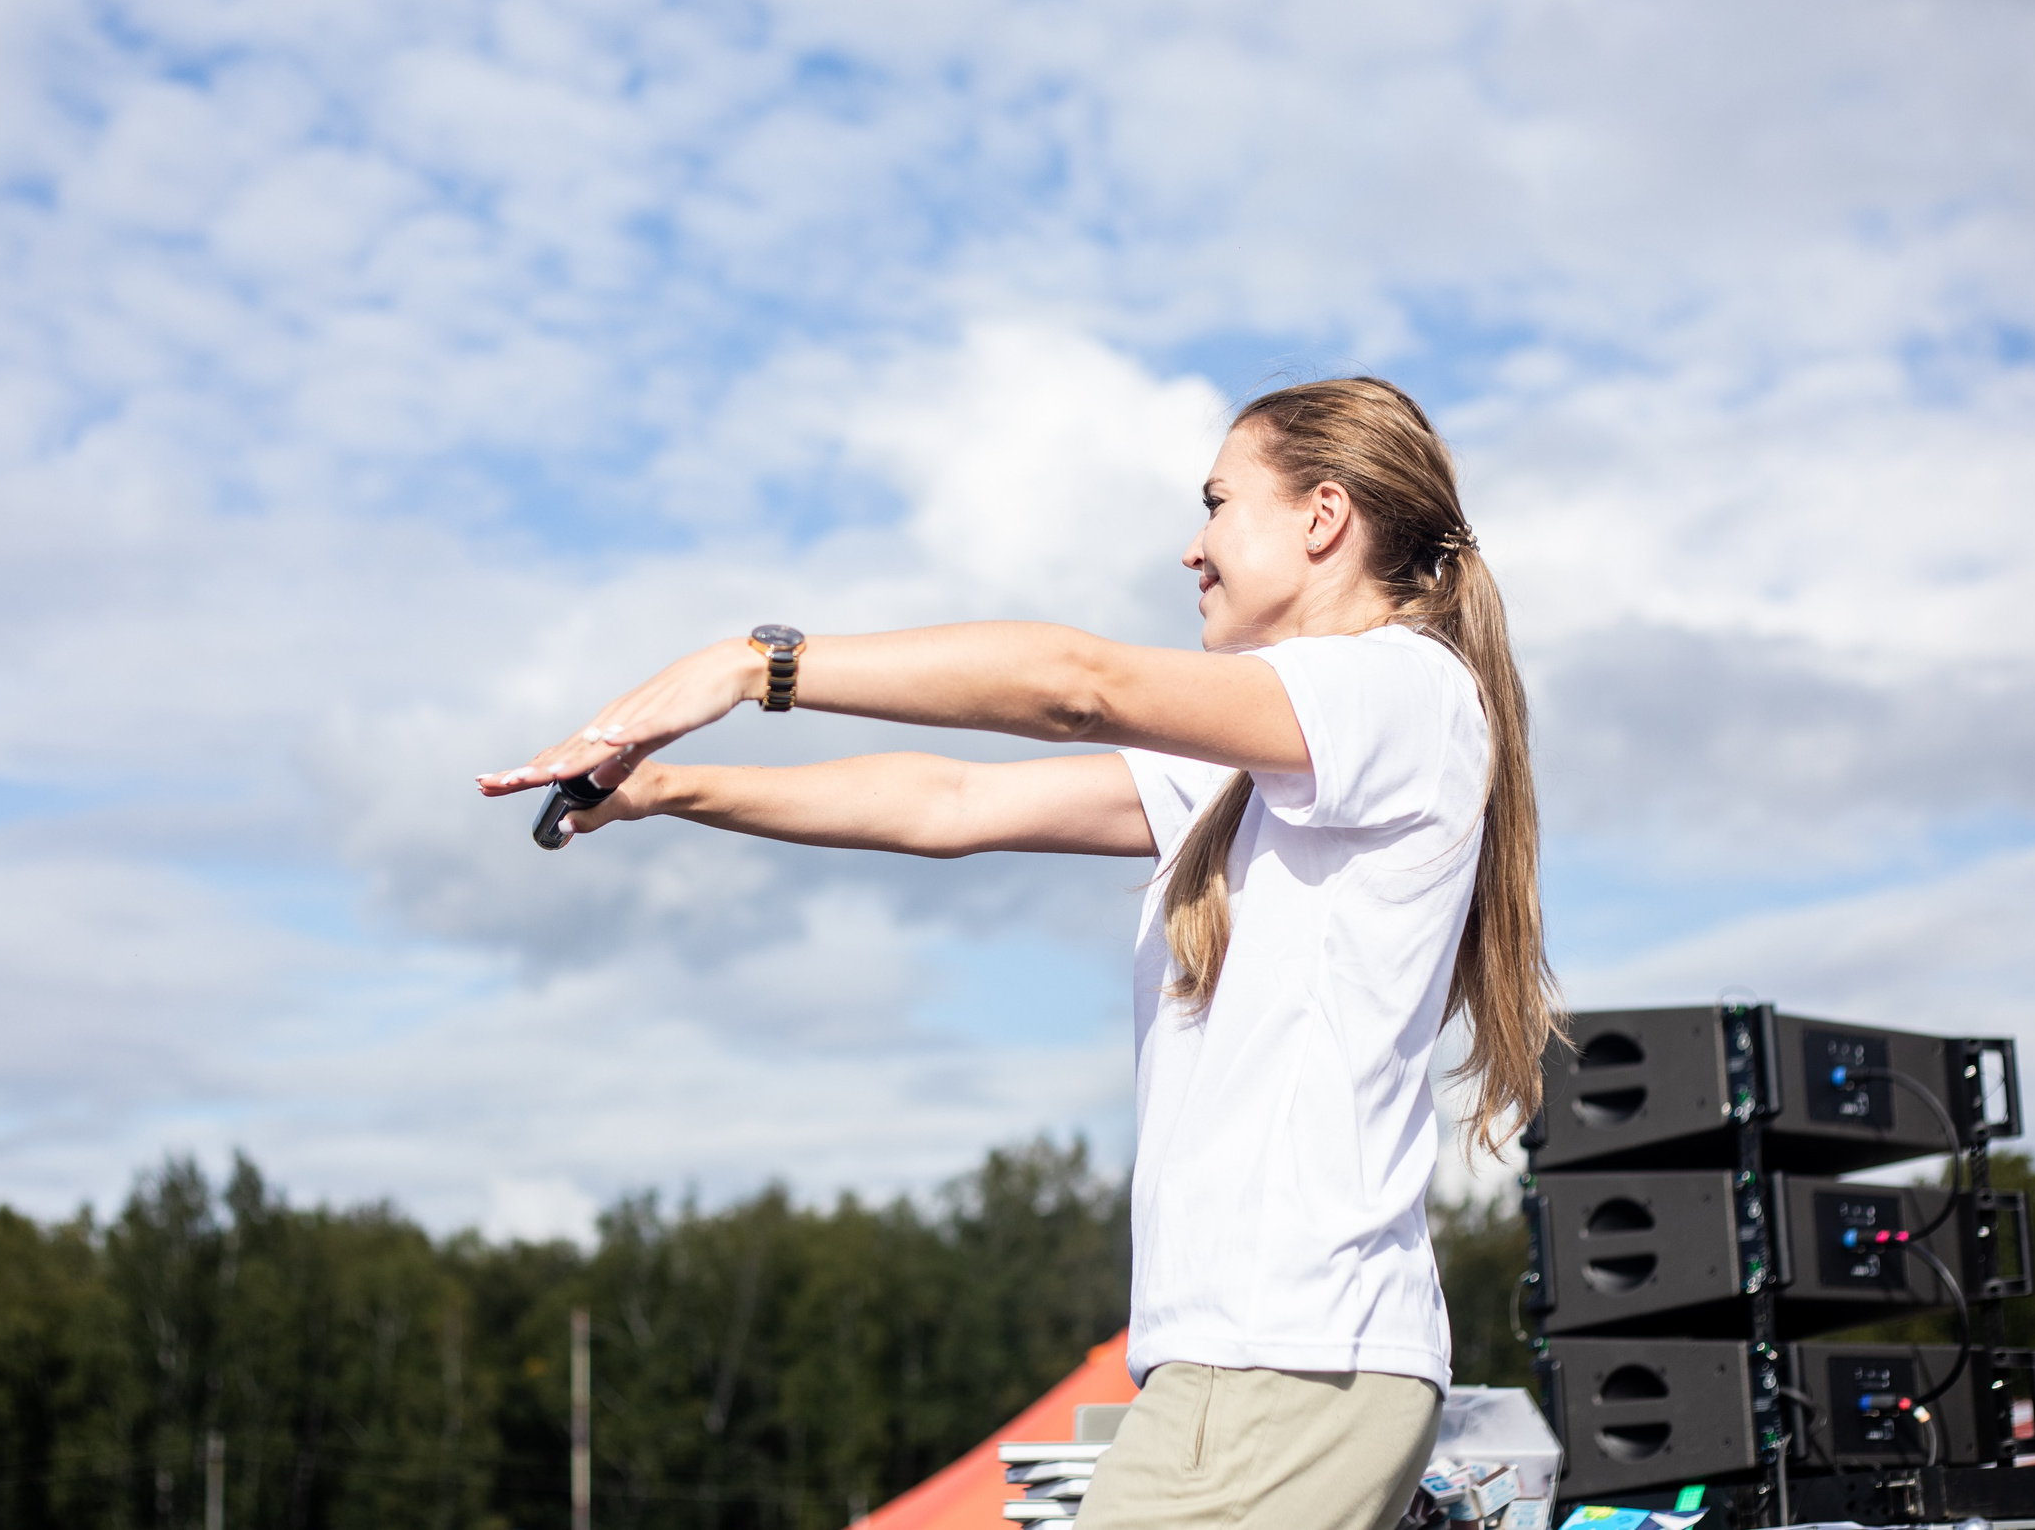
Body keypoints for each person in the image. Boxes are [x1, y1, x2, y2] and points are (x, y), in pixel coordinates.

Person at [478, 377, 1559, 1530]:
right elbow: (947, 804)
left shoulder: (1390, 691)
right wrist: (668, 786)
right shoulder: (1269, 758)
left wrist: (756, 667)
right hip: (1265, 1366)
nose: (1192, 549)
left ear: (1322, 517)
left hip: (1282, 1362)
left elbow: (1078, 688)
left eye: (1215, 503)